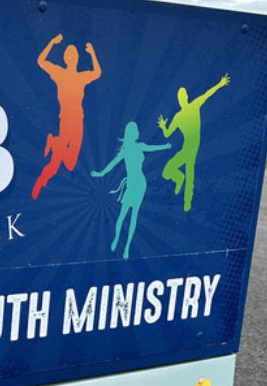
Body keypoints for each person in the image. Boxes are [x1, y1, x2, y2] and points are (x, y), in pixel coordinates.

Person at [31, 34, 101, 199]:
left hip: (77, 121)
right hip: (66, 120)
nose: (71, 58)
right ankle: (41, 181)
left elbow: (97, 73)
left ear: (76, 59)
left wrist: (92, 53)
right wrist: (51, 42)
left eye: (73, 56)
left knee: (69, 164)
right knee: (56, 163)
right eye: (69, 56)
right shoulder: (60, 73)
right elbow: (41, 61)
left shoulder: (80, 77)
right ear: (66, 58)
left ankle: (53, 142)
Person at [91, 121, 171, 259]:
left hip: (140, 184)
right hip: (132, 183)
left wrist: (165, 146)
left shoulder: (139, 146)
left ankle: (127, 247)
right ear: (132, 134)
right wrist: (101, 173)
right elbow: (112, 164)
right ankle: (117, 237)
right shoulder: (125, 150)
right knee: (122, 215)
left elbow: (152, 148)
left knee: (134, 215)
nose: (138, 132)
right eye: (136, 131)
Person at [157, 74, 230, 212]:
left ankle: (187, 202)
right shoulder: (178, 117)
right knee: (167, 171)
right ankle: (179, 178)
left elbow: (207, 94)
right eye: (179, 98)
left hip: (193, 147)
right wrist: (163, 126)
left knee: (190, 173)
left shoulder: (194, 106)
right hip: (186, 147)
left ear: (186, 97)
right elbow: (167, 134)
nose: (181, 99)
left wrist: (220, 84)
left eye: (182, 96)